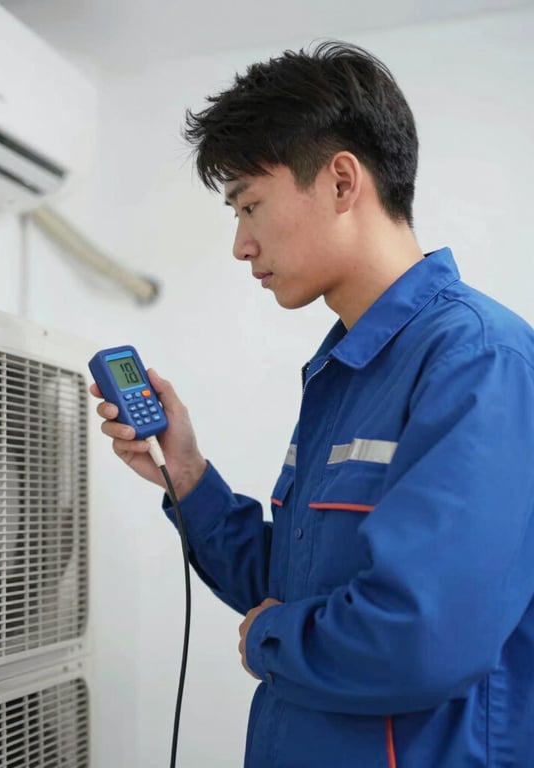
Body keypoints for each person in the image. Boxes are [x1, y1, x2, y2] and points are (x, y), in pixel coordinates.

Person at [90, 41, 534, 767]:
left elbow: (423, 639)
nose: (241, 245)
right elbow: (294, 585)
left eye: (250, 205)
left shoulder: (478, 360)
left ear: (341, 181)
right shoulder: (345, 369)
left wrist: (268, 639)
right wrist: (188, 475)